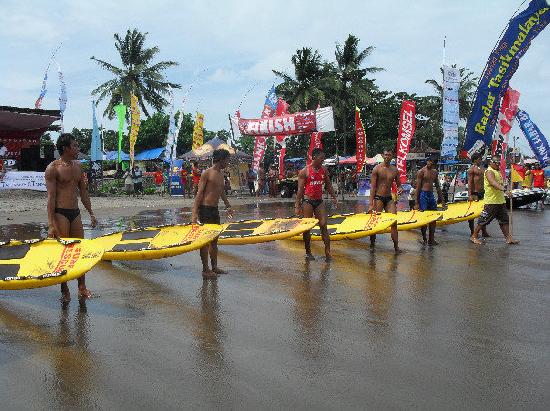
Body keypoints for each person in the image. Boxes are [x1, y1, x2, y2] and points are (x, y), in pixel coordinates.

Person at [45, 133, 97, 302]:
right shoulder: (53, 168)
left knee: (78, 251)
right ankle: (64, 288)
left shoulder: (78, 167)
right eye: (74, 146)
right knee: (65, 253)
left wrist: (91, 213)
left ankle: (82, 287)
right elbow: (51, 198)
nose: (77, 149)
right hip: (60, 213)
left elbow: (83, 192)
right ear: (66, 148)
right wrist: (51, 224)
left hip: (75, 213)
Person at [191, 149, 234, 279]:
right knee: (205, 241)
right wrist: (194, 213)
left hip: (214, 210)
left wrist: (228, 206)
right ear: (221, 159)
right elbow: (199, 194)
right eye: (227, 159)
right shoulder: (207, 173)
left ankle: (214, 267)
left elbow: (221, 192)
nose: (228, 162)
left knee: (214, 240)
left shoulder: (221, 175)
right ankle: (205, 269)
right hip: (205, 209)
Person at [295, 148, 338, 261]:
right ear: (314, 158)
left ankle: (328, 253)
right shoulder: (305, 171)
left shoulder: (324, 170)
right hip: (308, 201)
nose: (323, 161)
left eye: (323, 158)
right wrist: (297, 206)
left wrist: (334, 197)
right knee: (307, 228)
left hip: (319, 201)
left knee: (323, 225)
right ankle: (308, 252)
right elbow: (300, 191)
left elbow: (328, 185)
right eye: (321, 158)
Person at [471, 155, 519, 245]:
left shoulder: (498, 172)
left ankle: (508, 238)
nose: (498, 165)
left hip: (500, 201)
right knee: (484, 220)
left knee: (504, 220)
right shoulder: (489, 171)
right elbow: (493, 182)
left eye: (499, 163)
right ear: (491, 163)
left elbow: (501, 183)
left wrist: (507, 188)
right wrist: (504, 190)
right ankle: (474, 236)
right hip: (491, 201)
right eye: (496, 163)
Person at [368, 149, 403, 253]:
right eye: (386, 155)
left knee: (394, 222)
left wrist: (400, 188)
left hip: (388, 198)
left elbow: (399, 184)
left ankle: (396, 247)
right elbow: (373, 187)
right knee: (375, 222)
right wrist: (371, 204)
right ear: (383, 155)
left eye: (389, 155)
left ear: (392, 156)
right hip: (378, 197)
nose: (387, 156)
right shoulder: (377, 169)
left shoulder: (394, 170)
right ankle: (372, 244)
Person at [415, 156, 445, 245]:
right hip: (423, 194)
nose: (431, 163)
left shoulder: (435, 172)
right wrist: (416, 202)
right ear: (427, 161)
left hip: (431, 195)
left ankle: (431, 239)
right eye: (430, 161)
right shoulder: (421, 172)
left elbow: (438, 186)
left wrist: (442, 199)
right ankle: (424, 238)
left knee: (433, 217)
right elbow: (418, 187)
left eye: (433, 162)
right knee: (424, 218)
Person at [467, 153, 490, 237]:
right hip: (474, 193)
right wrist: (469, 194)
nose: (481, 160)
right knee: (472, 214)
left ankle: (484, 231)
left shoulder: (482, 168)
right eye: (479, 159)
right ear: (475, 159)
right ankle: (472, 231)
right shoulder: (471, 169)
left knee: (484, 213)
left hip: (482, 192)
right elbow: (469, 182)